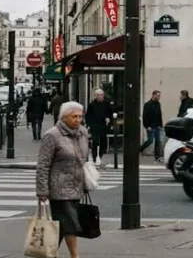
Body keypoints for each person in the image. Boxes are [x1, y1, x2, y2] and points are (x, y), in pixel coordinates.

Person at [36, 101, 91, 258]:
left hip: (76, 186)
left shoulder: (82, 133)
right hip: (59, 187)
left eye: (80, 116)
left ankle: (49, 253)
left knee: (60, 225)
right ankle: (75, 255)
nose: (77, 120)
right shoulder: (52, 135)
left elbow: (83, 159)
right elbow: (43, 165)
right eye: (74, 116)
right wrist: (42, 191)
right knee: (70, 223)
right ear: (64, 117)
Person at [85, 90, 113, 167]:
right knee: (95, 141)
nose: (99, 96)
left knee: (103, 141)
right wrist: (89, 124)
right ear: (96, 96)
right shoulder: (91, 105)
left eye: (101, 95)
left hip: (103, 125)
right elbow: (88, 115)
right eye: (98, 95)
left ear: (103, 95)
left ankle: (100, 155)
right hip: (94, 125)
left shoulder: (107, 104)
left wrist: (109, 119)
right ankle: (94, 158)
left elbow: (110, 114)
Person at [140, 90, 165, 162]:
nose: (159, 97)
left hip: (157, 126)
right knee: (150, 140)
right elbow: (145, 116)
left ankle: (157, 157)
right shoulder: (148, 104)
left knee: (158, 141)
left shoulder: (158, 104)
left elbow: (160, 115)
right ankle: (139, 149)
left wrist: (160, 125)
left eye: (159, 95)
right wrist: (147, 126)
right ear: (153, 95)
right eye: (158, 95)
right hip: (150, 126)